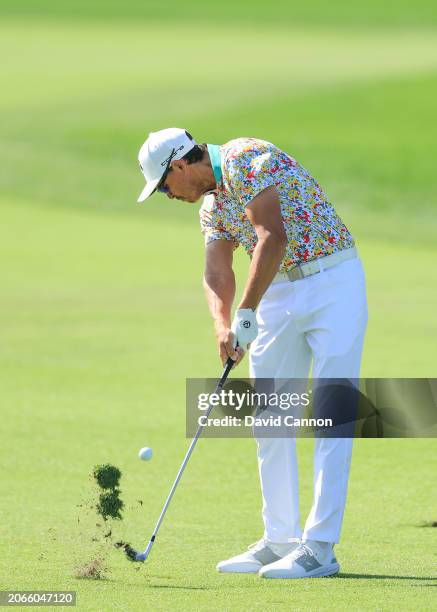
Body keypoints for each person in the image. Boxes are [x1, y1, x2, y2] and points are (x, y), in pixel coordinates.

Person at [136, 127, 368, 579]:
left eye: (164, 185)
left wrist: (245, 312)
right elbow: (217, 268)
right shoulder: (212, 204)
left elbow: (272, 237)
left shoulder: (249, 156)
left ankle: (319, 547)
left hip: (332, 281)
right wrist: (223, 324)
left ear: (180, 164)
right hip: (277, 292)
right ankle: (279, 538)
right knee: (269, 416)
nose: (167, 193)